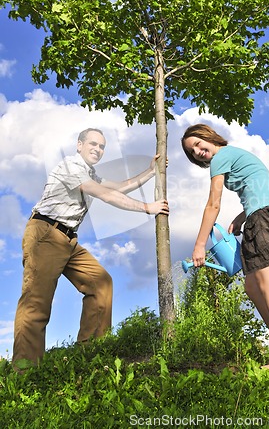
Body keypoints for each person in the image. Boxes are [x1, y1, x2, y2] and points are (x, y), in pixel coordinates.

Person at [13, 128, 169, 368]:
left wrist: (150, 172)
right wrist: (147, 207)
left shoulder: (90, 173)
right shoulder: (71, 166)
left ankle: (91, 354)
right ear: (79, 145)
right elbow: (104, 195)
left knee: (101, 283)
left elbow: (118, 187)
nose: (97, 149)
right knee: (37, 302)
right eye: (93, 144)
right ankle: (25, 371)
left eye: (102, 146)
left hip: (68, 240)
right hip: (45, 233)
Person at [181, 123, 269, 373]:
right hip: (264, 213)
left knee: (268, 285)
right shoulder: (235, 154)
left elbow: (213, 204)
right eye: (192, 152)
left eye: (197, 144)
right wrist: (241, 216)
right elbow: (261, 188)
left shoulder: (221, 158)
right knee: (252, 286)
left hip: (264, 218)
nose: (197, 152)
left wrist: (200, 245)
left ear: (207, 137)